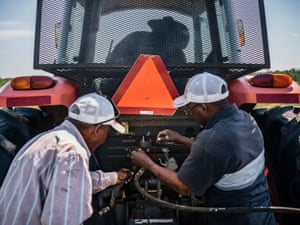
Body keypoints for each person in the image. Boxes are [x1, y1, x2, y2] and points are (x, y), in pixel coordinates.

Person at [130, 72, 277, 225]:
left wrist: (147, 163)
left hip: (236, 218)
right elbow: (220, 155)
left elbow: (182, 186)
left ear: (205, 108)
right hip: (261, 212)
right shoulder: (245, 119)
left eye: (189, 109)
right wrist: (181, 139)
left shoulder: (212, 140)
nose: (190, 114)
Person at [0, 93, 132, 225]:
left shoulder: (44, 140)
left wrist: (116, 177)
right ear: (97, 130)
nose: (105, 139)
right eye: (107, 132)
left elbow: (72, 180)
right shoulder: (72, 152)